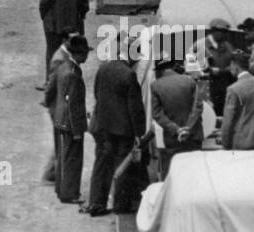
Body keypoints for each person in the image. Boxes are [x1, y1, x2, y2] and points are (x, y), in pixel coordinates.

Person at [85, 32, 146, 217]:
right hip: (122, 130)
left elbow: (96, 94)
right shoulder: (129, 76)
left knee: (102, 164)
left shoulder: (104, 68)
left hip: (102, 125)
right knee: (122, 166)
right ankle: (121, 204)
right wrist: (139, 133)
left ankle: (96, 203)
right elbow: (134, 108)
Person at [44, 32, 90, 205]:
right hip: (70, 123)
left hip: (61, 119)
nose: (87, 56)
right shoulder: (72, 72)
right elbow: (72, 104)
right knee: (72, 159)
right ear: (78, 54)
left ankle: (62, 189)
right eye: (85, 53)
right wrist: (77, 130)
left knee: (64, 157)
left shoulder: (65, 66)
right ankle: (70, 194)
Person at [151, 60, 204, 179]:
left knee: (173, 176)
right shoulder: (189, 81)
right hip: (193, 136)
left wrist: (176, 129)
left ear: (160, 71)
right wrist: (188, 128)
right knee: (194, 175)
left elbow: (157, 113)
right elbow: (198, 107)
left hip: (172, 138)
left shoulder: (156, 85)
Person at [204, 18, 236, 120]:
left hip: (226, 86)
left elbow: (235, 63)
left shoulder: (228, 46)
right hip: (208, 88)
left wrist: (225, 70)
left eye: (226, 32)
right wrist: (208, 69)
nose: (225, 35)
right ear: (213, 31)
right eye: (222, 32)